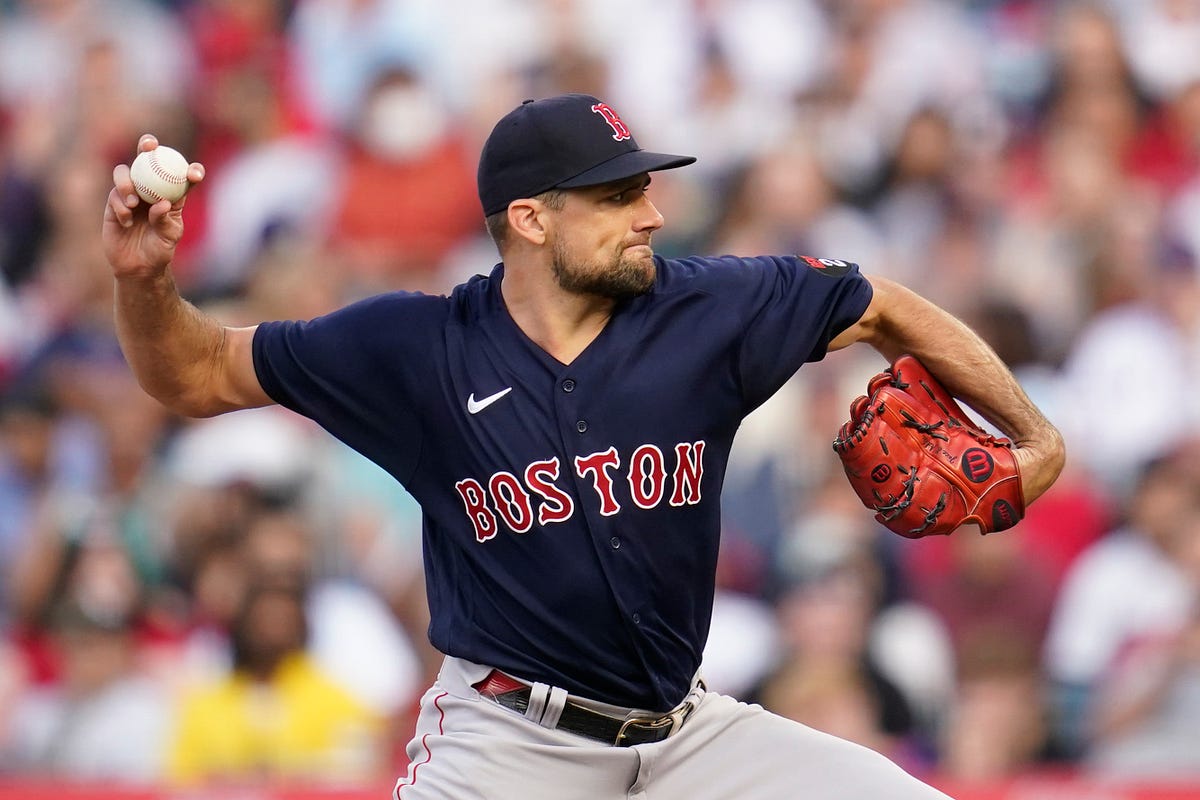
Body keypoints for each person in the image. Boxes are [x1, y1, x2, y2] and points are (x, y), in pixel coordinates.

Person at [102, 93, 1064, 799]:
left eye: (644, 188)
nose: (650, 212)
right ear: (531, 219)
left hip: (690, 738)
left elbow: (878, 303)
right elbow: (194, 375)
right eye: (616, 195)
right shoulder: (413, 347)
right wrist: (146, 281)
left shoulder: (706, 309)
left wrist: (1032, 437)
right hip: (508, 746)